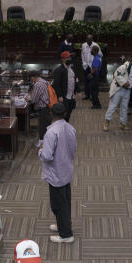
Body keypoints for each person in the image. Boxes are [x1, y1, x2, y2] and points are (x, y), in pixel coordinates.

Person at [39, 102, 77, 243]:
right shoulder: (70, 128)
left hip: (56, 173)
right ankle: (63, 225)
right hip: (66, 170)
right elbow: (73, 150)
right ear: (65, 114)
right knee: (65, 201)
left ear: (51, 114)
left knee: (58, 204)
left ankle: (66, 235)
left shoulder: (51, 132)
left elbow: (47, 156)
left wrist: (40, 151)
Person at [103, 57, 132, 132]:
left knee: (124, 107)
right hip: (118, 89)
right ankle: (106, 122)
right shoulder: (125, 67)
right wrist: (124, 82)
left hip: (127, 91)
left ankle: (123, 124)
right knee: (113, 106)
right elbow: (116, 74)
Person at [52, 51, 77, 122]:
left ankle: (66, 125)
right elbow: (56, 84)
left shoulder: (71, 68)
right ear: (62, 59)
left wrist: (77, 90)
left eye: (69, 57)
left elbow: (74, 79)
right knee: (63, 115)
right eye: (67, 58)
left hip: (71, 96)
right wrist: (59, 96)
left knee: (69, 113)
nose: (69, 59)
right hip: (64, 96)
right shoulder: (59, 70)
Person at [29, 70, 52, 141]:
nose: (31, 80)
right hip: (47, 107)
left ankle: (42, 143)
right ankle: (46, 141)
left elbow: (34, 100)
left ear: (33, 77)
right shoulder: (43, 81)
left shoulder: (38, 84)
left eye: (31, 78)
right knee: (46, 125)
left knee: (42, 127)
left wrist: (28, 98)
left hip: (43, 109)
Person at [81, 34, 101, 100]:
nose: (89, 40)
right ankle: (87, 95)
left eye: (90, 39)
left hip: (93, 66)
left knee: (93, 83)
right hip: (86, 66)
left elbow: (100, 54)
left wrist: (96, 62)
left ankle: (94, 96)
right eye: (87, 39)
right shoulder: (83, 45)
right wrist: (84, 63)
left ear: (92, 39)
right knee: (86, 81)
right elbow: (82, 55)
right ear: (86, 39)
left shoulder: (96, 45)